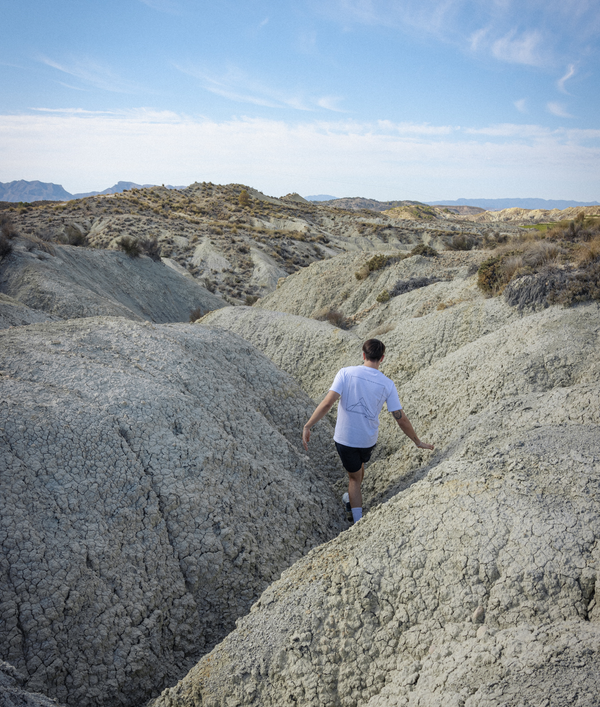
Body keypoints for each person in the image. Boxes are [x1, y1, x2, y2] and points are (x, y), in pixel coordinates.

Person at [302, 339, 434, 523]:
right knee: (359, 468)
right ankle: (351, 499)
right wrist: (417, 441)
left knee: (354, 479)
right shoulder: (387, 384)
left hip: (345, 439)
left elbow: (327, 403)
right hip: (368, 440)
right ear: (382, 358)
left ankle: (357, 520)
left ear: (363, 355)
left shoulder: (346, 373)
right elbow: (400, 418)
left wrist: (308, 425)